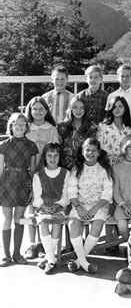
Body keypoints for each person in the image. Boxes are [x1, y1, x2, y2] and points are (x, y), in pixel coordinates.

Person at [66, 138, 113, 274]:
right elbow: (72, 192)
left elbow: (107, 194)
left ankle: (78, 262)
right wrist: (79, 208)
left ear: (99, 153)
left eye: (94, 151)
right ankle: (84, 263)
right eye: (87, 150)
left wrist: (93, 210)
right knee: (72, 225)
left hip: (98, 206)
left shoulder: (104, 170)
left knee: (97, 226)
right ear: (82, 151)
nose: (90, 153)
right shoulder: (77, 169)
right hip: (79, 205)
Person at [0, 113, 38, 267]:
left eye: (23, 124)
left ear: (26, 127)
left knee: (19, 219)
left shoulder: (31, 145)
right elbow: (0, 169)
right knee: (7, 219)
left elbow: (33, 170)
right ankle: (6, 255)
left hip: (23, 183)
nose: (19, 127)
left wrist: (32, 190)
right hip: (7, 183)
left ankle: (17, 253)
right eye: (16, 124)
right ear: (11, 126)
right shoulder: (4, 145)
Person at [25, 96, 60, 259]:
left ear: (46, 111)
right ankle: (33, 244)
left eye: (41, 109)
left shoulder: (52, 129)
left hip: (45, 173)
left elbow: (55, 151)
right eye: (34, 109)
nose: (38, 112)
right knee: (31, 207)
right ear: (30, 111)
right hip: (27, 172)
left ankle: (44, 245)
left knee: (44, 205)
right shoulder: (25, 128)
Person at [31, 142, 70, 274]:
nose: (52, 159)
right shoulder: (38, 174)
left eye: (55, 155)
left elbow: (66, 195)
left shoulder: (66, 173)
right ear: (45, 157)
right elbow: (37, 195)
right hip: (43, 206)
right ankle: (51, 259)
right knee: (43, 222)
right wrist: (43, 206)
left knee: (57, 223)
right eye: (49, 155)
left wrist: (58, 205)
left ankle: (49, 258)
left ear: (60, 157)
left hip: (59, 205)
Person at [58, 95, 97, 170]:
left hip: (84, 169)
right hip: (64, 169)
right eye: (75, 107)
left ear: (85, 109)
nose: (78, 111)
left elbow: (94, 151)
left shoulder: (92, 128)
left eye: (81, 108)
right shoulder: (62, 127)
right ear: (71, 109)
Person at [97, 95, 131, 166]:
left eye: (120, 106)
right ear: (111, 109)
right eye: (114, 107)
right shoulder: (103, 126)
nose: (117, 109)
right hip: (107, 165)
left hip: (125, 165)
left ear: (125, 108)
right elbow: (99, 148)